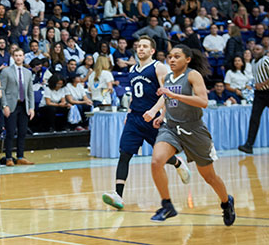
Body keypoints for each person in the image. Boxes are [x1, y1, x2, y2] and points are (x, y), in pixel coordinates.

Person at [143, 45, 235, 226]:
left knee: (209, 177)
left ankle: (226, 202)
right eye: (170, 56)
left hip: (194, 131)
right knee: (156, 161)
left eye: (177, 56)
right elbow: (166, 98)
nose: (172, 60)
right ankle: (167, 205)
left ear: (187, 59)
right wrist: (157, 113)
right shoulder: (169, 76)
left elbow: (203, 102)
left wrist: (172, 94)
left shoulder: (193, 75)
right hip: (171, 128)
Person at [101, 36, 190, 210]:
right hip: (134, 118)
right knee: (124, 153)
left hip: (152, 119)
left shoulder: (159, 67)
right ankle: (118, 195)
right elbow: (135, 95)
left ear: (152, 51)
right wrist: (128, 112)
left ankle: (177, 162)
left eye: (144, 46)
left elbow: (168, 92)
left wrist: (156, 111)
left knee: (160, 156)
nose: (140, 49)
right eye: (138, 46)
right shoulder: (133, 69)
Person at [0, 48, 35, 166]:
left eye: (20, 55)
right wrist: (4, 105)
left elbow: (30, 91)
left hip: (24, 105)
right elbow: (2, 90)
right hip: (11, 105)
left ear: (24, 57)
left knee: (22, 132)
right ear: (13, 57)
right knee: (10, 132)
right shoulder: (6, 71)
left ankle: (20, 156)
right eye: (16, 55)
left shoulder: (28, 72)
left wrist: (31, 107)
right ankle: (9, 157)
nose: (19, 57)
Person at [239, 48, 269, 154]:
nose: (255, 51)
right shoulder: (253, 62)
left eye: (258, 49)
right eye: (254, 50)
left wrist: (263, 83)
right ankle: (249, 145)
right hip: (259, 94)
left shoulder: (266, 60)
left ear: (263, 51)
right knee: (254, 119)